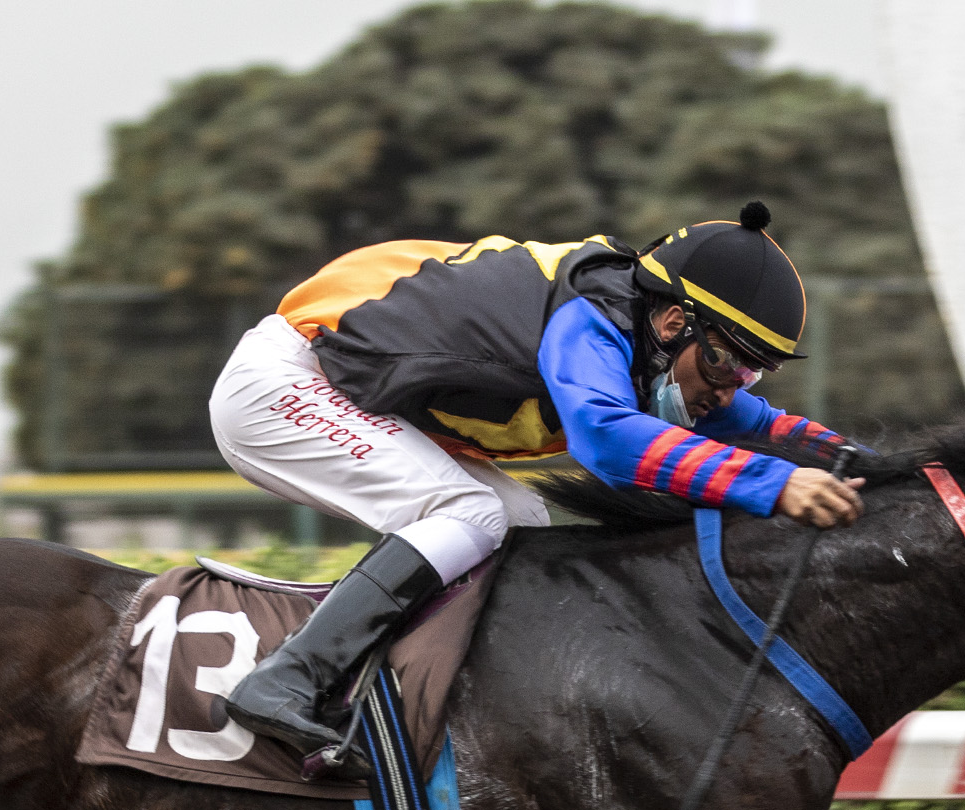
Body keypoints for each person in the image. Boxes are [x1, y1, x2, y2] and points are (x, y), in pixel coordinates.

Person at [211, 201, 864, 772]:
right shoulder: (590, 320)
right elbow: (607, 440)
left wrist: (872, 466)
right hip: (283, 384)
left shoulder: (649, 340)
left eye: (750, 373)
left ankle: (451, 717)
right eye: (724, 362)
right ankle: (289, 680)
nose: (728, 389)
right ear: (674, 323)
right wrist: (774, 483)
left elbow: (764, 426)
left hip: (346, 390)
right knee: (469, 512)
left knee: (523, 527)